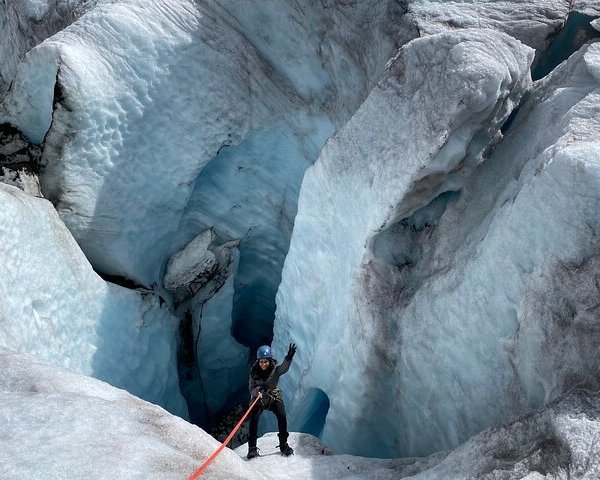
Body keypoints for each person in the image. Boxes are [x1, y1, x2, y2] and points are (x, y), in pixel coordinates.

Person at [247, 342, 297, 459]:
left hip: (273, 397)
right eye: (261, 361)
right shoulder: (254, 373)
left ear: (269, 360)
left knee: (282, 415)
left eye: (266, 361)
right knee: (254, 419)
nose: (264, 364)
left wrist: (288, 358)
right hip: (259, 399)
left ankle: (283, 444)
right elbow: (251, 389)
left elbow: (283, 368)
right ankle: (252, 448)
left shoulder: (275, 370)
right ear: (258, 362)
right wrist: (259, 389)